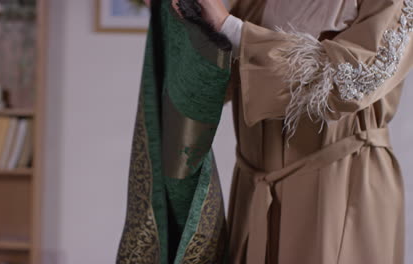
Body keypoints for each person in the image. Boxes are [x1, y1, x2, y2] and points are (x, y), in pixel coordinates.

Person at [138, 0, 412, 263]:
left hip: (340, 185)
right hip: (253, 187)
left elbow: (350, 81)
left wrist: (232, 29)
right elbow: (220, 79)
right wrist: (181, 21)